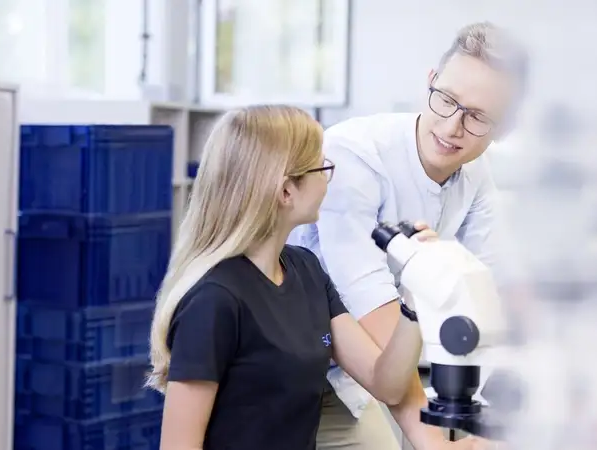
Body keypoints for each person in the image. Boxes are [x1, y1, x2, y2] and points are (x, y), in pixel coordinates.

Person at [288, 21, 529, 450]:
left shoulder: (474, 172)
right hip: (288, 368)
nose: (453, 126)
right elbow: (380, 333)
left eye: (477, 116)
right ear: (431, 82)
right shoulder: (353, 157)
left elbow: (495, 291)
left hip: (354, 381)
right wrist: (435, 442)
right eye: (448, 100)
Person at [145, 105, 439, 450]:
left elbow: (385, 383)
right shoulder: (214, 300)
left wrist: (413, 300)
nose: (329, 179)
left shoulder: (306, 270)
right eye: (322, 168)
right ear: (286, 191)